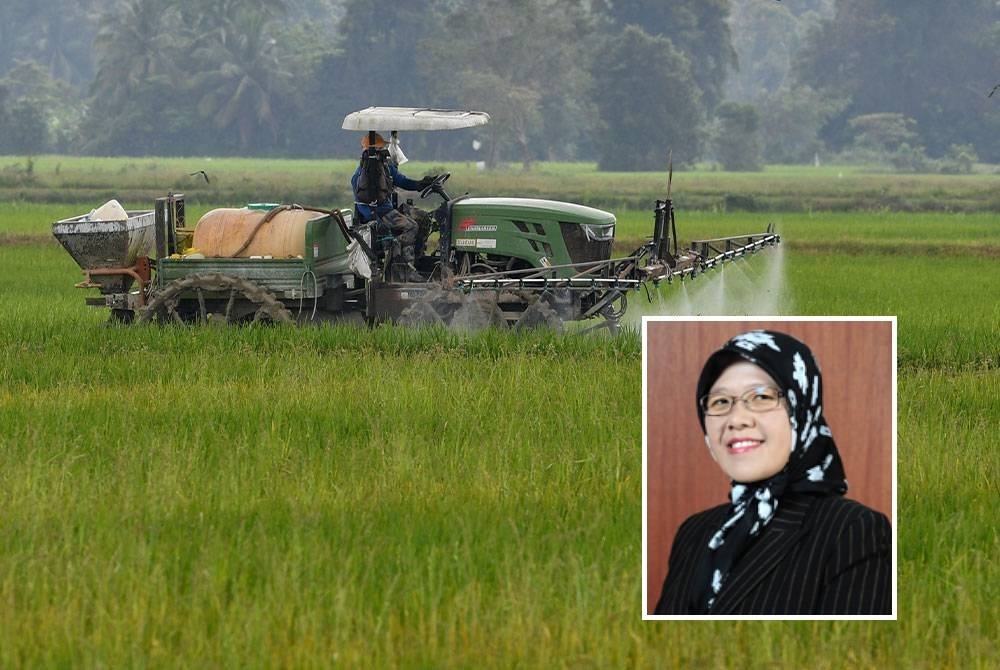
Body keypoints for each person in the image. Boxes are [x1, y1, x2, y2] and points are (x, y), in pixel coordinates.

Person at [653, 330, 891, 615]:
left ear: (801, 411)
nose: (736, 420)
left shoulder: (853, 530)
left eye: (761, 397)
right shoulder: (694, 532)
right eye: (719, 402)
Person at [351, 132, 435, 281]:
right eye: (381, 148)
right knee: (412, 227)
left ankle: (418, 259)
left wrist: (421, 184)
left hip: (387, 210)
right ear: (376, 150)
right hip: (382, 213)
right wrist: (375, 217)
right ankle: (406, 265)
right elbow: (364, 203)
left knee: (423, 218)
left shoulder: (382, 168)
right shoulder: (369, 173)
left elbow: (402, 181)